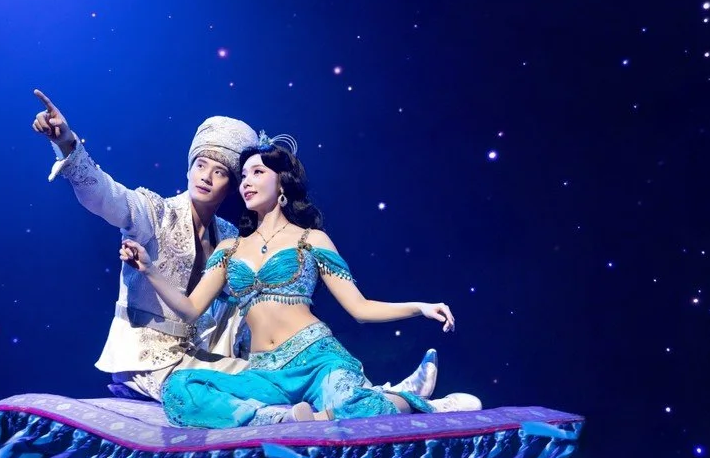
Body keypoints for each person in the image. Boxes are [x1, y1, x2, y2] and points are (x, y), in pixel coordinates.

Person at [32, 91, 437, 403]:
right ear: (188, 167)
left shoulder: (230, 235)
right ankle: (383, 398)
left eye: (221, 171)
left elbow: (324, 304)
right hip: (148, 359)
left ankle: (385, 396)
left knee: (279, 377)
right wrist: (67, 144)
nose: (206, 177)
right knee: (248, 389)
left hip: (213, 355)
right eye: (200, 165)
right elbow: (105, 196)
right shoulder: (153, 212)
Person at [119, 133, 483, 427]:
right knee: (181, 388)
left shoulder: (312, 240)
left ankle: (415, 402)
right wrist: (149, 269)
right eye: (243, 176)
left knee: (355, 408)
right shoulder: (230, 248)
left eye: (257, 172)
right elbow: (189, 310)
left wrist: (419, 307)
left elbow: (360, 309)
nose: (246, 182)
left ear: (281, 183)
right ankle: (280, 419)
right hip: (264, 373)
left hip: (317, 360)